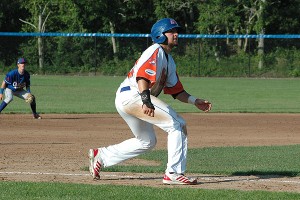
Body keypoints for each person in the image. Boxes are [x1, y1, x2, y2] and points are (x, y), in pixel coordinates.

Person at [88, 18, 212, 185]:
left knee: (146, 141)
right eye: (171, 31)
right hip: (134, 96)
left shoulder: (169, 60)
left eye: (177, 32)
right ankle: (173, 173)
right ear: (160, 35)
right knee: (178, 124)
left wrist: (194, 101)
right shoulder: (155, 51)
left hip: (128, 98)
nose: (176, 35)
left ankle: (102, 156)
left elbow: (176, 91)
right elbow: (142, 77)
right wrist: (146, 101)